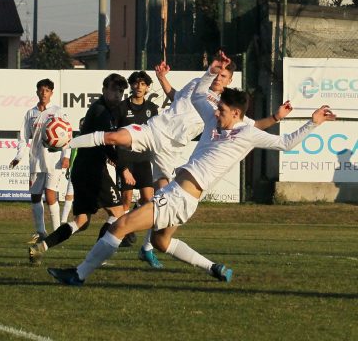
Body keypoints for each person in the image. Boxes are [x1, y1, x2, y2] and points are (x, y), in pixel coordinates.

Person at [46, 52, 336, 286]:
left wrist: (313, 122)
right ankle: (214, 268)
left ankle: (79, 274)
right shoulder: (213, 120)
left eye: (221, 110)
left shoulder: (247, 133)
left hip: (179, 197)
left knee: (121, 225)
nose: (216, 112)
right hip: (181, 194)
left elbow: (285, 143)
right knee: (160, 242)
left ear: (236, 113)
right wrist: (210, 71)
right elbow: (198, 96)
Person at [131, 59, 293, 270]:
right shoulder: (198, 84)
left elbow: (253, 127)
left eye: (223, 76)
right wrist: (162, 79)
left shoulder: (225, 106)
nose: (218, 78)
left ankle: (142, 239)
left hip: (173, 147)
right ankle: (137, 235)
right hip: (158, 134)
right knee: (158, 195)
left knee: (162, 197)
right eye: (217, 74)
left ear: (230, 80)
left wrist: (275, 117)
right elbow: (177, 98)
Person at [29, 73, 129, 265]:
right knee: (118, 213)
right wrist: (121, 165)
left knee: (81, 222)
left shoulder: (103, 109)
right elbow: (107, 143)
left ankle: (41, 247)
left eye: (121, 91)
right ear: (104, 90)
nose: (118, 95)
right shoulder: (101, 112)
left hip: (81, 170)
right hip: (93, 171)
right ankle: (97, 257)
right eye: (114, 90)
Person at [10, 79, 70, 242]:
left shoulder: (58, 112)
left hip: (54, 161)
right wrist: (18, 157)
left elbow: (66, 135)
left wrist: (66, 156)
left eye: (47, 90)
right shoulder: (31, 114)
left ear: (52, 93)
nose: (44, 93)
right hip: (35, 161)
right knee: (35, 196)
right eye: (41, 90)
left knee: (51, 196)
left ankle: (57, 232)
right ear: (37, 92)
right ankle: (41, 231)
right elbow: (23, 138)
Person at [115, 71, 159, 251]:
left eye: (143, 84)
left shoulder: (153, 109)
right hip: (126, 159)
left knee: (148, 199)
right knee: (125, 200)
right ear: (131, 86)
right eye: (136, 83)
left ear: (147, 88)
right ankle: (124, 233)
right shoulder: (121, 108)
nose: (139, 87)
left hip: (143, 159)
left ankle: (132, 225)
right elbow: (115, 136)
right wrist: (121, 165)